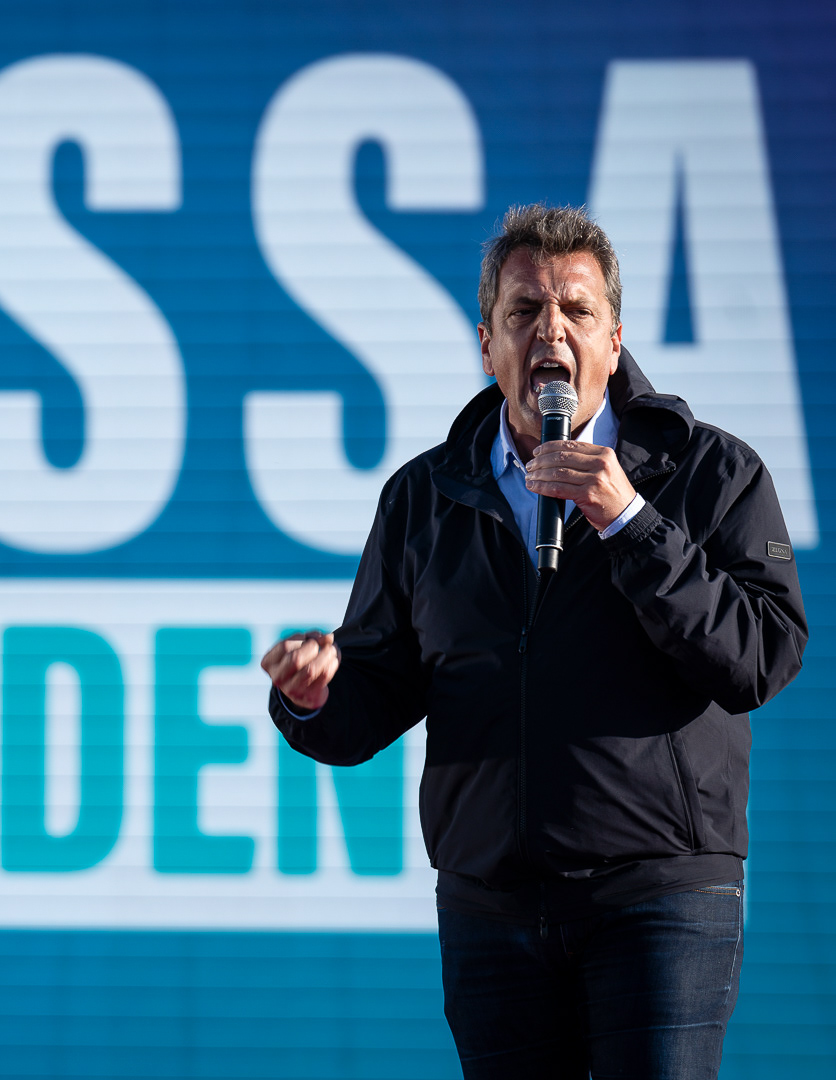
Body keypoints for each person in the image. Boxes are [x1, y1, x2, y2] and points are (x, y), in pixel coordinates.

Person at [261, 204, 806, 1079]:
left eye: (576, 311)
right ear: (488, 344)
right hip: (491, 905)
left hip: (660, 894)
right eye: (523, 312)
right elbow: (378, 689)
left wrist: (630, 521)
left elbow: (761, 657)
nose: (550, 329)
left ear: (614, 339)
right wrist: (314, 697)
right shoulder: (425, 495)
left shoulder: (712, 473)